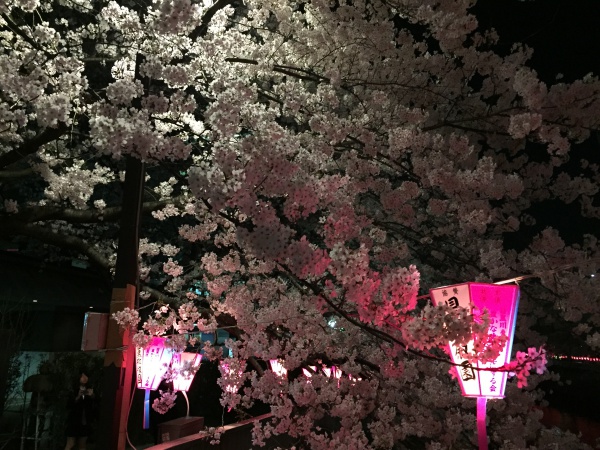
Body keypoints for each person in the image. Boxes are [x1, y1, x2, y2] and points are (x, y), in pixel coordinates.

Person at [64, 372, 95, 450]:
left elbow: (94, 403)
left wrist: (92, 396)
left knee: (82, 444)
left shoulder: (90, 388)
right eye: (82, 376)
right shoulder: (73, 389)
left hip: (85, 420)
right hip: (74, 420)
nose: (84, 378)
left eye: (86, 376)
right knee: (70, 443)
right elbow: (69, 404)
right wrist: (78, 396)